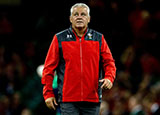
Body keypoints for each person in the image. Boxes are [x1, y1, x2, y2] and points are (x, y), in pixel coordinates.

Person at [41, 3, 116, 115]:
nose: (79, 17)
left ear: (89, 19)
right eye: (76, 14)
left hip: (92, 99)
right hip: (68, 100)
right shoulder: (59, 39)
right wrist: (48, 94)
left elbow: (109, 62)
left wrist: (109, 78)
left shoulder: (99, 38)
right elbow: (48, 69)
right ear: (70, 19)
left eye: (83, 14)